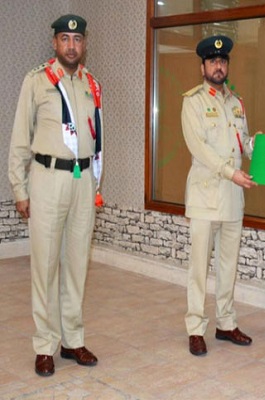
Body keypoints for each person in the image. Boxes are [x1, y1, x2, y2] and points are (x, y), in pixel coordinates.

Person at [8, 14, 103, 377]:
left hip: (82, 181)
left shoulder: (91, 84)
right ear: (55, 43)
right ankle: (45, 345)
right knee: (45, 266)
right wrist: (19, 188)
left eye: (77, 40)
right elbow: (20, 138)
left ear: (84, 44)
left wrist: (95, 182)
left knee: (77, 264)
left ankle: (72, 340)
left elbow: (96, 137)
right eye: (65, 39)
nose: (71, 46)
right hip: (47, 179)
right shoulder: (37, 81)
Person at [181, 35, 257, 357]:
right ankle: (195, 328)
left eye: (223, 60)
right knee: (199, 268)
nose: (218, 65)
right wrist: (230, 172)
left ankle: (226, 323)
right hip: (205, 196)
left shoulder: (236, 103)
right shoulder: (193, 102)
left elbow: (243, 144)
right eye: (212, 61)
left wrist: (259, 147)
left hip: (233, 198)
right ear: (203, 67)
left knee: (228, 265)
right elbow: (199, 148)